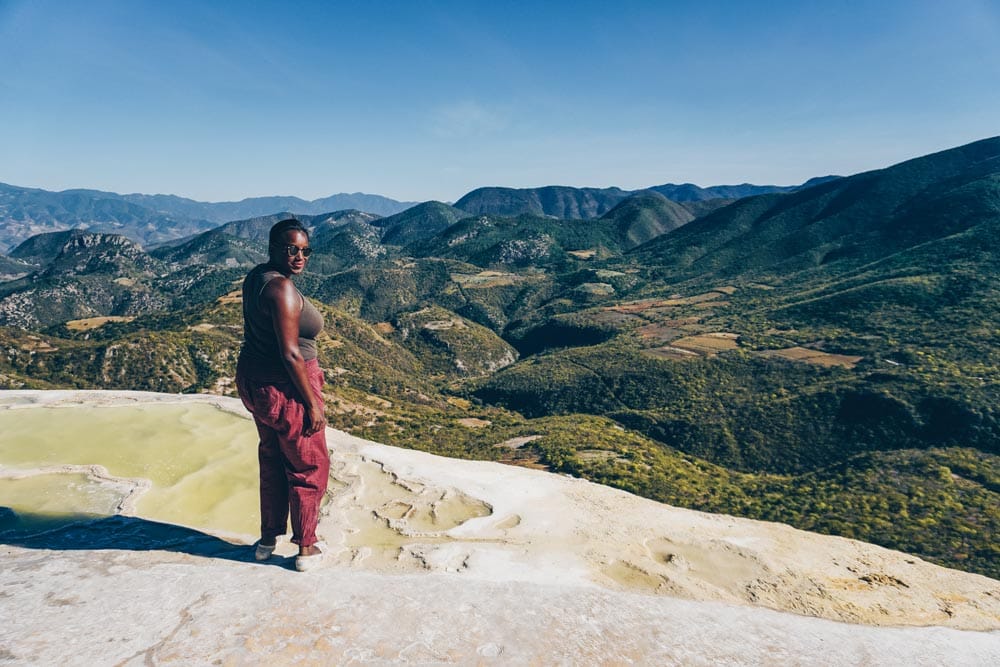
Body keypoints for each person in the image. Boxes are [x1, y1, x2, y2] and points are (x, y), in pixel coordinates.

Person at [235, 218, 329, 572]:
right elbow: (291, 353)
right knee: (308, 464)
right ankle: (306, 549)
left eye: (305, 250)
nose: (300, 256)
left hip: (256, 382)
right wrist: (312, 404)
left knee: (272, 458)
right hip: (285, 387)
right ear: (273, 248)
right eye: (292, 249)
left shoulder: (256, 277)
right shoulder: (282, 290)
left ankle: (266, 541)